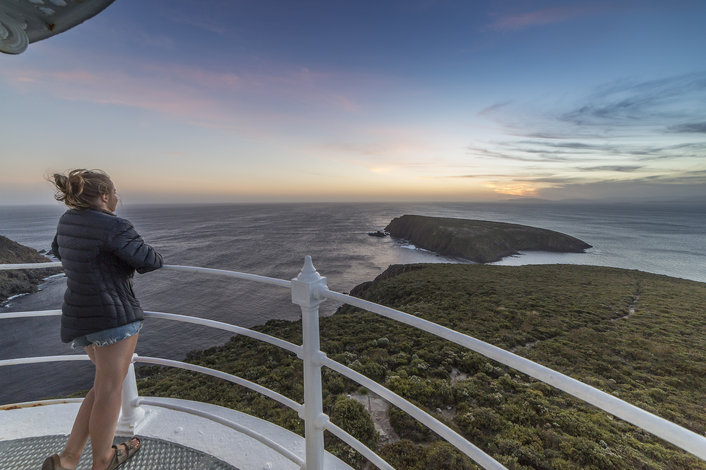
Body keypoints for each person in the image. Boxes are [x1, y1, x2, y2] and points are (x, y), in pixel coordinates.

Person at [43, 169, 163, 470]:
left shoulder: (67, 221)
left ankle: (68, 457)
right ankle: (103, 460)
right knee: (109, 390)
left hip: (79, 314)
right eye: (114, 193)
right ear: (105, 196)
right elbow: (151, 261)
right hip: (113, 316)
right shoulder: (115, 225)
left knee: (102, 386)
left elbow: (59, 250)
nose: (117, 198)